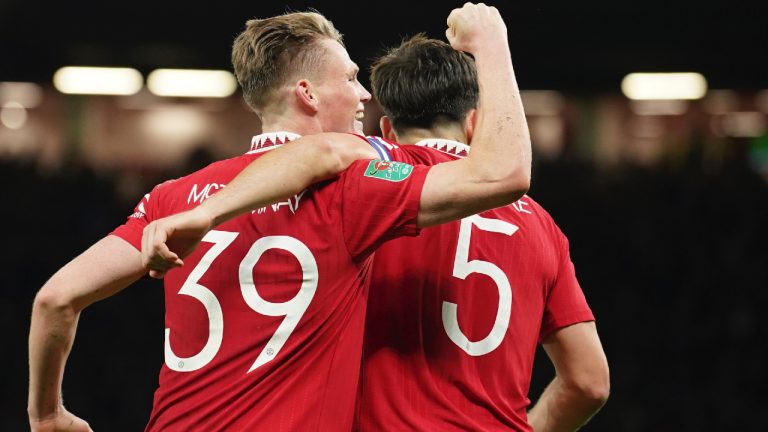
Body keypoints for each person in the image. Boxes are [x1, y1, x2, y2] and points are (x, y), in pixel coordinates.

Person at [29, 5, 530, 432]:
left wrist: (47, 414)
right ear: (308, 94)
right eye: (352, 78)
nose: (363, 96)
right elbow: (502, 173)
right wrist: (492, 43)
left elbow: (55, 299)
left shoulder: (172, 196)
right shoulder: (350, 192)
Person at [355, 35, 610, 431]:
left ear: (388, 130)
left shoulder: (363, 193)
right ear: (475, 123)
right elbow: (589, 382)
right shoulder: (541, 224)